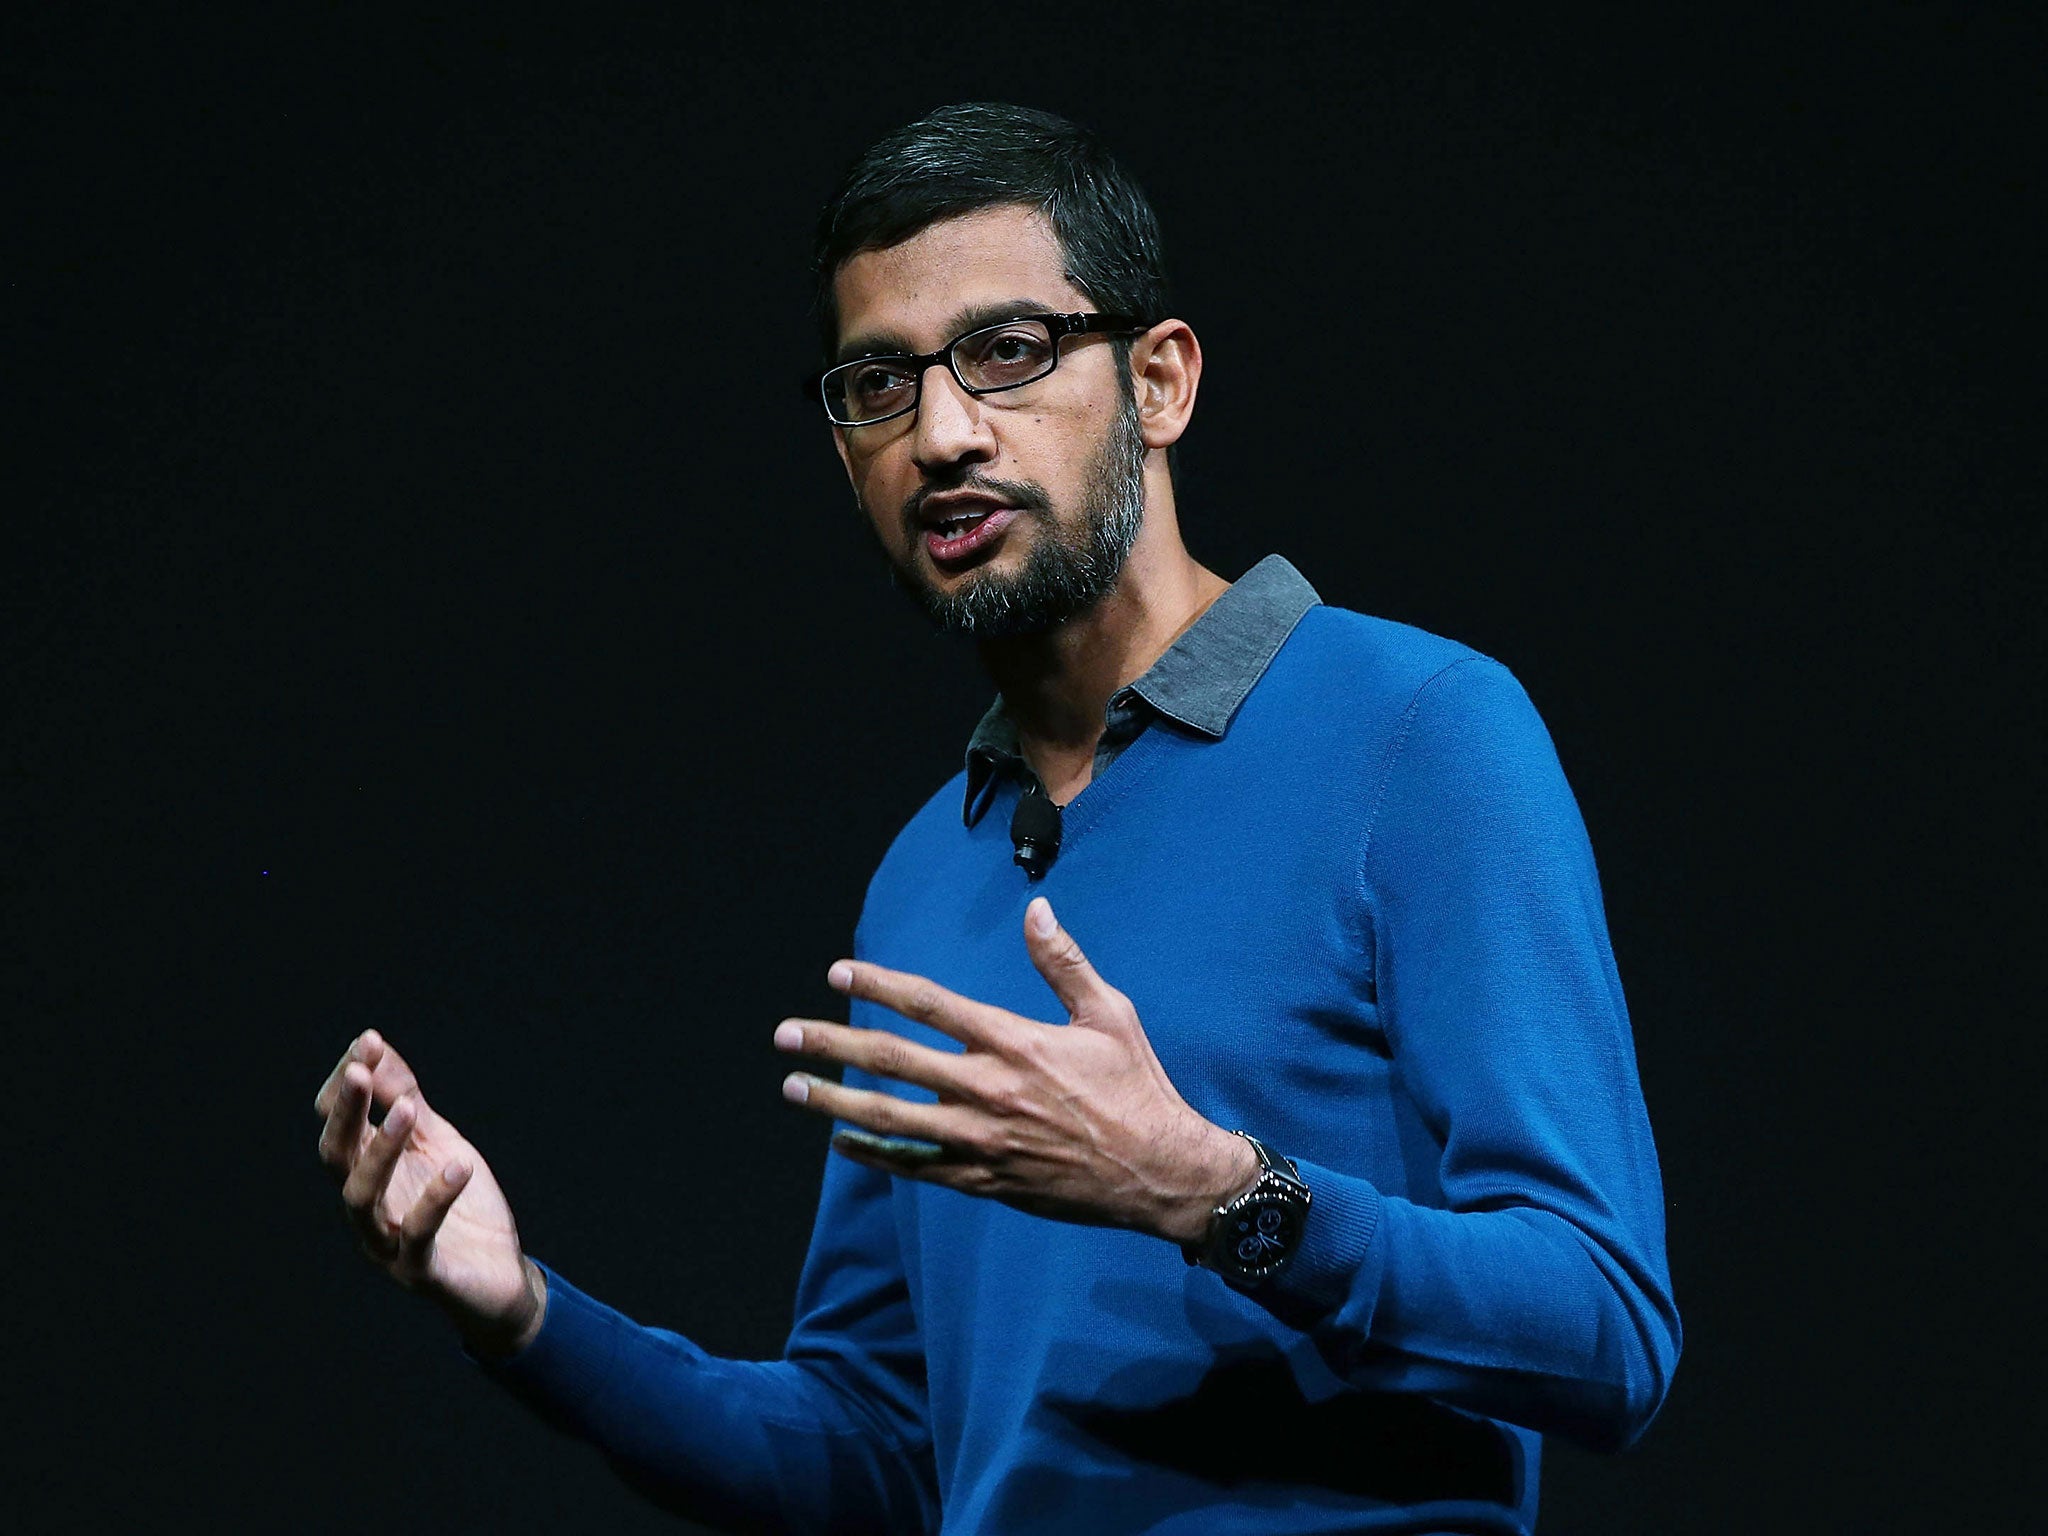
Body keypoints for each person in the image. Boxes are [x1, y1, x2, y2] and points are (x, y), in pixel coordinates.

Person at [313, 102, 1679, 1534]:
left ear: (1159, 382)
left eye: (1008, 353)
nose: (944, 433)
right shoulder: (927, 873)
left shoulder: (1418, 732)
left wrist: (1214, 1193)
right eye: (878, 384)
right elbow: (876, 1449)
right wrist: (525, 1314)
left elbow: (1607, 1330)